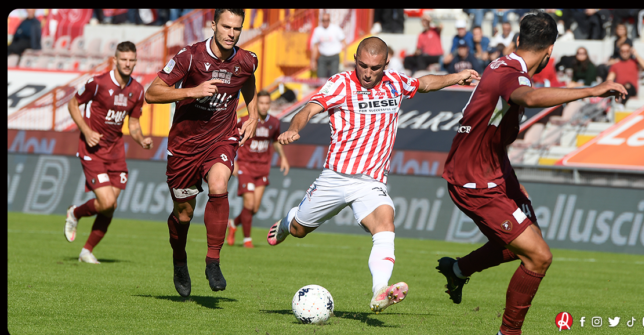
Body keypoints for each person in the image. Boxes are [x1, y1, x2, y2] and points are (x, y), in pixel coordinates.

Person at [436, 11, 627, 335]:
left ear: (518, 39)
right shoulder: (515, 77)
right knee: (538, 256)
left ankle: (458, 269)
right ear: (550, 50)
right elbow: (529, 97)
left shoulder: (503, 65)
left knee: (524, 243)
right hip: (474, 180)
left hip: (492, 167)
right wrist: (593, 89)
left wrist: (505, 173)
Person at [266, 36, 479, 314]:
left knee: (385, 223)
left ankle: (380, 290)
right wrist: (295, 128)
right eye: (362, 65)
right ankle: (287, 221)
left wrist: (458, 76)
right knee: (299, 231)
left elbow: (426, 83)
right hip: (335, 177)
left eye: (374, 68)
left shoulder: (395, 82)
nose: (367, 73)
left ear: (386, 64)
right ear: (355, 59)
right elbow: (308, 109)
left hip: (370, 182)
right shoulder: (340, 84)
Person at [144, 9, 259, 297]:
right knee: (184, 215)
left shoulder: (247, 60)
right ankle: (179, 260)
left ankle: (213, 261)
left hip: (221, 138)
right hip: (184, 148)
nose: (231, 33)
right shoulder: (190, 56)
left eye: (237, 28)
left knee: (219, 183)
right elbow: (152, 93)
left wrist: (253, 116)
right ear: (213, 25)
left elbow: (248, 81)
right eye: (226, 27)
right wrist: (190, 91)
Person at [64, 41, 151, 264]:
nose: (128, 63)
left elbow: (133, 125)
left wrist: (142, 140)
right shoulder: (98, 83)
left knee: (110, 207)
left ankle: (86, 251)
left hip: (116, 153)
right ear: (115, 60)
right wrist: (86, 130)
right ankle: (75, 213)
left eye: (132, 60)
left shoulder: (137, 90)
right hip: (92, 149)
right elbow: (73, 104)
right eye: (124, 59)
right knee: (106, 202)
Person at [227, 90, 289, 248]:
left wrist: (283, 157)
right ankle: (247, 239)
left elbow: (275, 141)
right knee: (248, 204)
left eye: (267, 103)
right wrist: (232, 161)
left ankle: (233, 223)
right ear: (256, 104)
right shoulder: (245, 121)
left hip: (262, 169)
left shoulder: (274, 122)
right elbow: (232, 140)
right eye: (261, 103)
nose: (264, 106)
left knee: (254, 208)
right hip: (245, 167)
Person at [607, 42, 644, 107]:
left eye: (627, 51)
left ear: (630, 51)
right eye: (623, 51)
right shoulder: (615, 64)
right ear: (620, 52)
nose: (625, 52)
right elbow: (609, 80)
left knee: (627, 86)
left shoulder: (634, 62)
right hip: (620, 88)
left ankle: (621, 105)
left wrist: (636, 54)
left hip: (631, 88)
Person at [310, 12, 347, 78]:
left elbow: (344, 44)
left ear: (329, 20)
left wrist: (344, 59)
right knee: (320, 78)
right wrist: (313, 61)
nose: (325, 22)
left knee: (334, 78)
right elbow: (315, 46)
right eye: (323, 20)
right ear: (321, 21)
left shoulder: (336, 29)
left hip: (334, 57)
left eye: (327, 20)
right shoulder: (318, 30)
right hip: (323, 56)